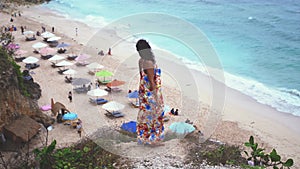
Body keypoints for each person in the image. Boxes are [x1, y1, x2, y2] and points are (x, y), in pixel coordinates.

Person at [136, 39, 164, 146]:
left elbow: (142, 77)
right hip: (151, 92)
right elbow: (152, 82)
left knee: (145, 116)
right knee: (156, 114)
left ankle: (144, 138)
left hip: (143, 90)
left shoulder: (141, 61)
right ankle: (154, 140)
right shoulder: (149, 62)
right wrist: (156, 97)